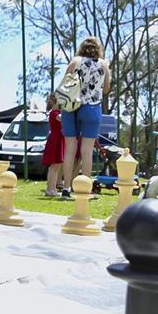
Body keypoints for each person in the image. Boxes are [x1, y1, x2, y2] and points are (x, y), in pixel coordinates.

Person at [60, 37, 111, 200]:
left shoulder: (75, 61)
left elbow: (64, 84)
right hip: (92, 107)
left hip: (71, 106)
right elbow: (106, 90)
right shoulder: (103, 64)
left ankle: (66, 188)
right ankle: (85, 190)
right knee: (87, 151)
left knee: (70, 149)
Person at [42, 94, 65, 197]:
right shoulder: (54, 113)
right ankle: (49, 189)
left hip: (59, 139)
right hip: (55, 140)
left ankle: (53, 188)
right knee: (53, 166)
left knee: (57, 165)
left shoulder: (58, 112)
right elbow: (62, 119)